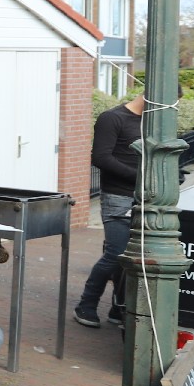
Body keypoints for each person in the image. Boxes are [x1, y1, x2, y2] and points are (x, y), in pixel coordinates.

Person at [75, 93, 145, 328]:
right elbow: (101, 158)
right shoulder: (112, 118)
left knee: (133, 256)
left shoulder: (152, 122)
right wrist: (139, 177)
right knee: (116, 253)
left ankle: (119, 307)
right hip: (118, 197)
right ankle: (86, 305)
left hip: (144, 198)